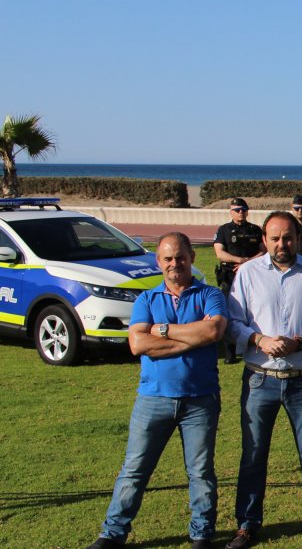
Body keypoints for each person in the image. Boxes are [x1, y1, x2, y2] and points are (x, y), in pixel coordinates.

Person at [87, 233, 228, 549]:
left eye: (180, 257)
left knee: (201, 473)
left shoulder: (211, 295)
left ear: (192, 256)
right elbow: (137, 344)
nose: (174, 264)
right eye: (167, 258)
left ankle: (202, 534)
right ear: (158, 262)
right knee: (134, 471)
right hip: (153, 398)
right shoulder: (147, 299)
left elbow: (214, 330)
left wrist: (160, 332)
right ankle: (112, 534)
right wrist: (191, 338)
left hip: (200, 398)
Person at [224, 212, 302, 549]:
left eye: (288, 238)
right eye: (275, 238)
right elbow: (232, 321)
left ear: (297, 238)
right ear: (264, 238)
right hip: (260, 379)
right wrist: (258, 340)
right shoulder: (247, 273)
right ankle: (247, 524)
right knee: (254, 454)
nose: (281, 244)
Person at [213, 197, 265, 362]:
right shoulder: (224, 230)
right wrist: (239, 261)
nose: (240, 212)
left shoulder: (255, 230)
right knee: (229, 313)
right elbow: (219, 252)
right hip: (230, 276)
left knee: (252, 311)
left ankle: (251, 345)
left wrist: (248, 264)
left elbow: (263, 251)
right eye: (237, 210)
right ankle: (230, 353)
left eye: (243, 209)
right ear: (231, 212)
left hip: (252, 276)